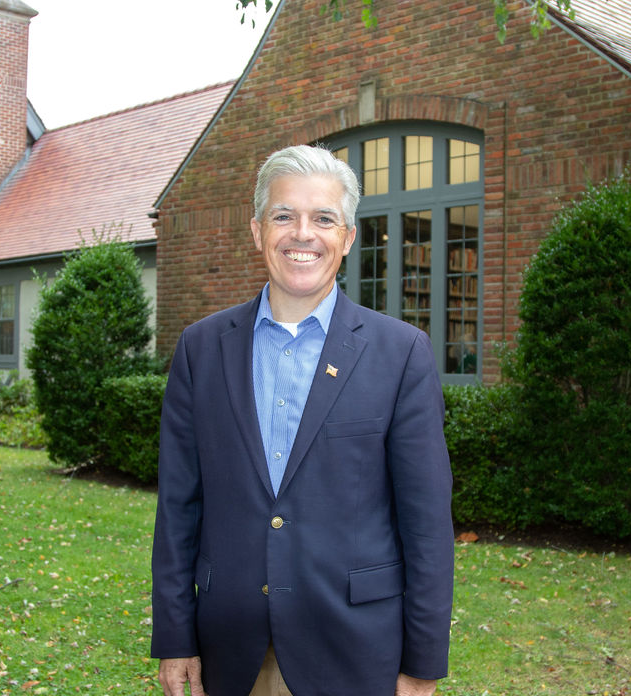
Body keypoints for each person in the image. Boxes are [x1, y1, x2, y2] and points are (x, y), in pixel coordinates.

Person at [151, 144, 454, 696]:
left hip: (358, 652)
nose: (302, 233)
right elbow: (178, 509)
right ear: (257, 229)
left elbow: (427, 524)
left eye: (323, 218)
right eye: (284, 215)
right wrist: (176, 639)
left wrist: (423, 663)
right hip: (231, 651)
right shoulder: (201, 350)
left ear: (347, 236)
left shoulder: (401, 354)